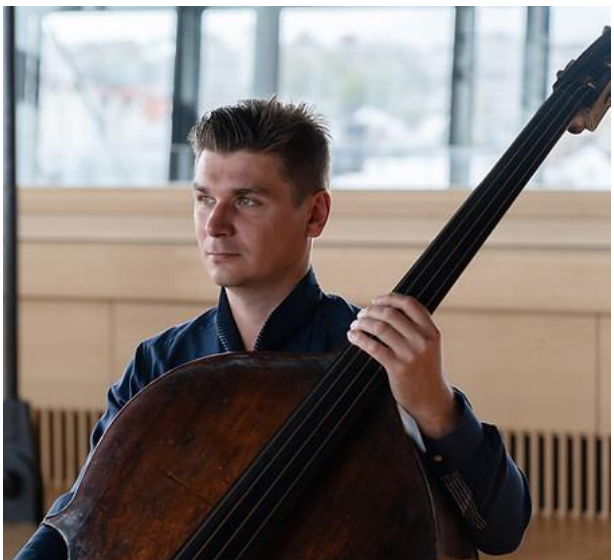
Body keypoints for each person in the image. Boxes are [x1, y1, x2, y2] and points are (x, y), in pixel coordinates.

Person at [15, 98, 531, 559]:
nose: (214, 225)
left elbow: (502, 528)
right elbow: (83, 519)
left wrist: (437, 408)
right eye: (203, 198)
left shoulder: (380, 359)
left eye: (246, 200)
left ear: (315, 214)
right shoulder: (160, 364)